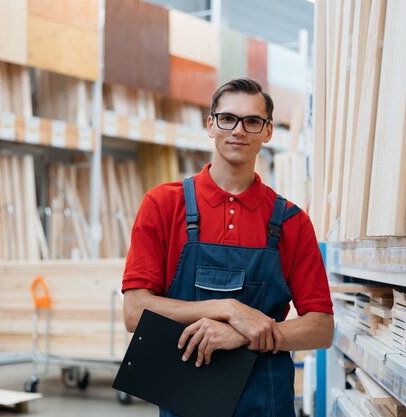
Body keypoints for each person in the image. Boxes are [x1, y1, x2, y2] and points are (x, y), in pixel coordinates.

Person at [122, 78, 334, 417]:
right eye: (227, 119)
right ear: (210, 124)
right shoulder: (162, 205)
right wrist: (230, 308)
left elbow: (322, 328)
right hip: (184, 400)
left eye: (252, 122)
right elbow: (135, 312)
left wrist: (247, 334)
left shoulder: (292, 221)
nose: (238, 130)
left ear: (267, 133)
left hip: (265, 404)